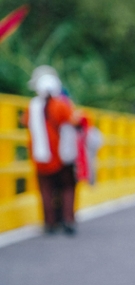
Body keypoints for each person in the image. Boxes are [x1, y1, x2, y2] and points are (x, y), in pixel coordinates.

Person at [23, 72, 82, 235]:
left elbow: (25, 122)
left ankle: (49, 223)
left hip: (40, 157)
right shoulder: (61, 105)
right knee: (68, 187)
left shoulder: (32, 106)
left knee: (46, 190)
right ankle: (68, 219)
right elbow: (73, 122)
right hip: (61, 157)